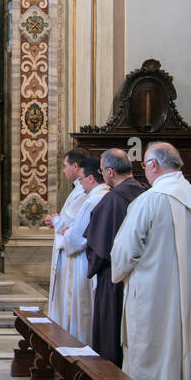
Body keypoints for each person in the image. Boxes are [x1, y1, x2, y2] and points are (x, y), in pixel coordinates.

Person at [111, 142, 191, 380]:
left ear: (153, 165)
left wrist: (120, 272)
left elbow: (124, 252)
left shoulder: (151, 200)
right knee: (176, 354)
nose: (145, 171)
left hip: (152, 297)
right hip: (186, 294)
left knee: (147, 358)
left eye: (145, 165)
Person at [84, 150, 145, 364]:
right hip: (140, 276)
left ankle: (109, 379)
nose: (103, 175)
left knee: (110, 330)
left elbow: (97, 245)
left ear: (110, 171)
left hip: (112, 277)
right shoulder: (145, 193)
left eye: (102, 171)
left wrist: (92, 262)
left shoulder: (112, 199)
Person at [61, 158, 109, 343]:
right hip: (97, 258)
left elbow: (76, 237)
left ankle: (81, 345)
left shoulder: (93, 200)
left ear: (90, 178)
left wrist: (65, 231)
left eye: (81, 180)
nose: (80, 184)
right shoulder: (107, 195)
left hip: (84, 259)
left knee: (83, 308)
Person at [44, 148, 88, 327]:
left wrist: (56, 221)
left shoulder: (84, 192)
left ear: (75, 166)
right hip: (69, 252)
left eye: (65, 166)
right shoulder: (78, 189)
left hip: (75, 256)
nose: (63, 170)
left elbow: (74, 227)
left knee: (71, 304)